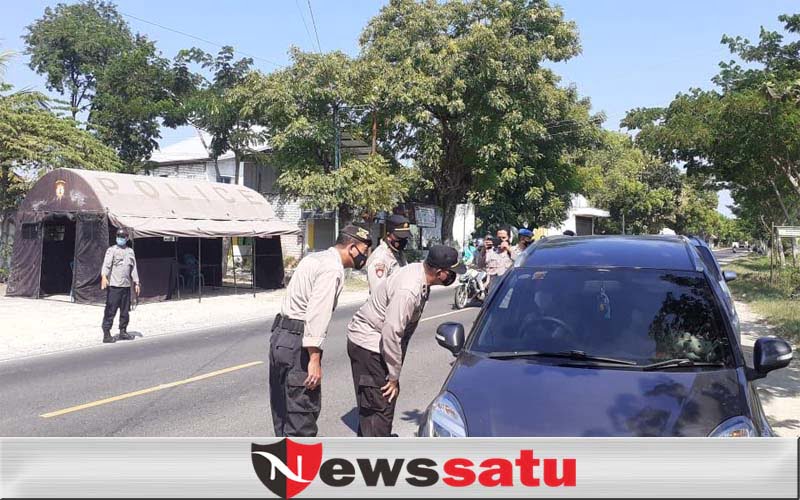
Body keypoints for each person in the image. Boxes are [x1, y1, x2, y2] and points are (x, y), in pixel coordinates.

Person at [346, 245, 466, 436]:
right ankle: (376, 457)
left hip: (377, 342)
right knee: (380, 406)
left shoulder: (419, 274)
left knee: (374, 409)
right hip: (370, 345)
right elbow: (391, 333)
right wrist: (393, 376)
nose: (454, 277)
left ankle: (372, 445)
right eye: (451, 272)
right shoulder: (409, 290)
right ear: (439, 272)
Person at [269, 223, 372, 437]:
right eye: (364, 250)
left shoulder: (314, 258)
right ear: (351, 247)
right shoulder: (332, 269)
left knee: (282, 414)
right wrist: (314, 360)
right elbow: (317, 314)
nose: (366, 256)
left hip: (281, 336)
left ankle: (284, 466)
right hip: (300, 343)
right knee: (301, 418)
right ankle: (299, 469)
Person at [100, 228, 140, 344]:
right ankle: (106, 334)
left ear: (127, 238)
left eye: (123, 237)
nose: (120, 238)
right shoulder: (112, 250)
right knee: (110, 310)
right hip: (114, 286)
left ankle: (123, 331)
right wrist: (104, 276)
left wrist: (136, 282)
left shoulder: (130, 251)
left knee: (125, 311)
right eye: (118, 236)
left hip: (126, 286)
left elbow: (133, 268)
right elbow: (106, 265)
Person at [366, 214, 411, 292]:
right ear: (388, 235)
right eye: (399, 237)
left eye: (405, 238)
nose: (402, 240)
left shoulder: (398, 253)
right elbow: (378, 293)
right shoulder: (380, 258)